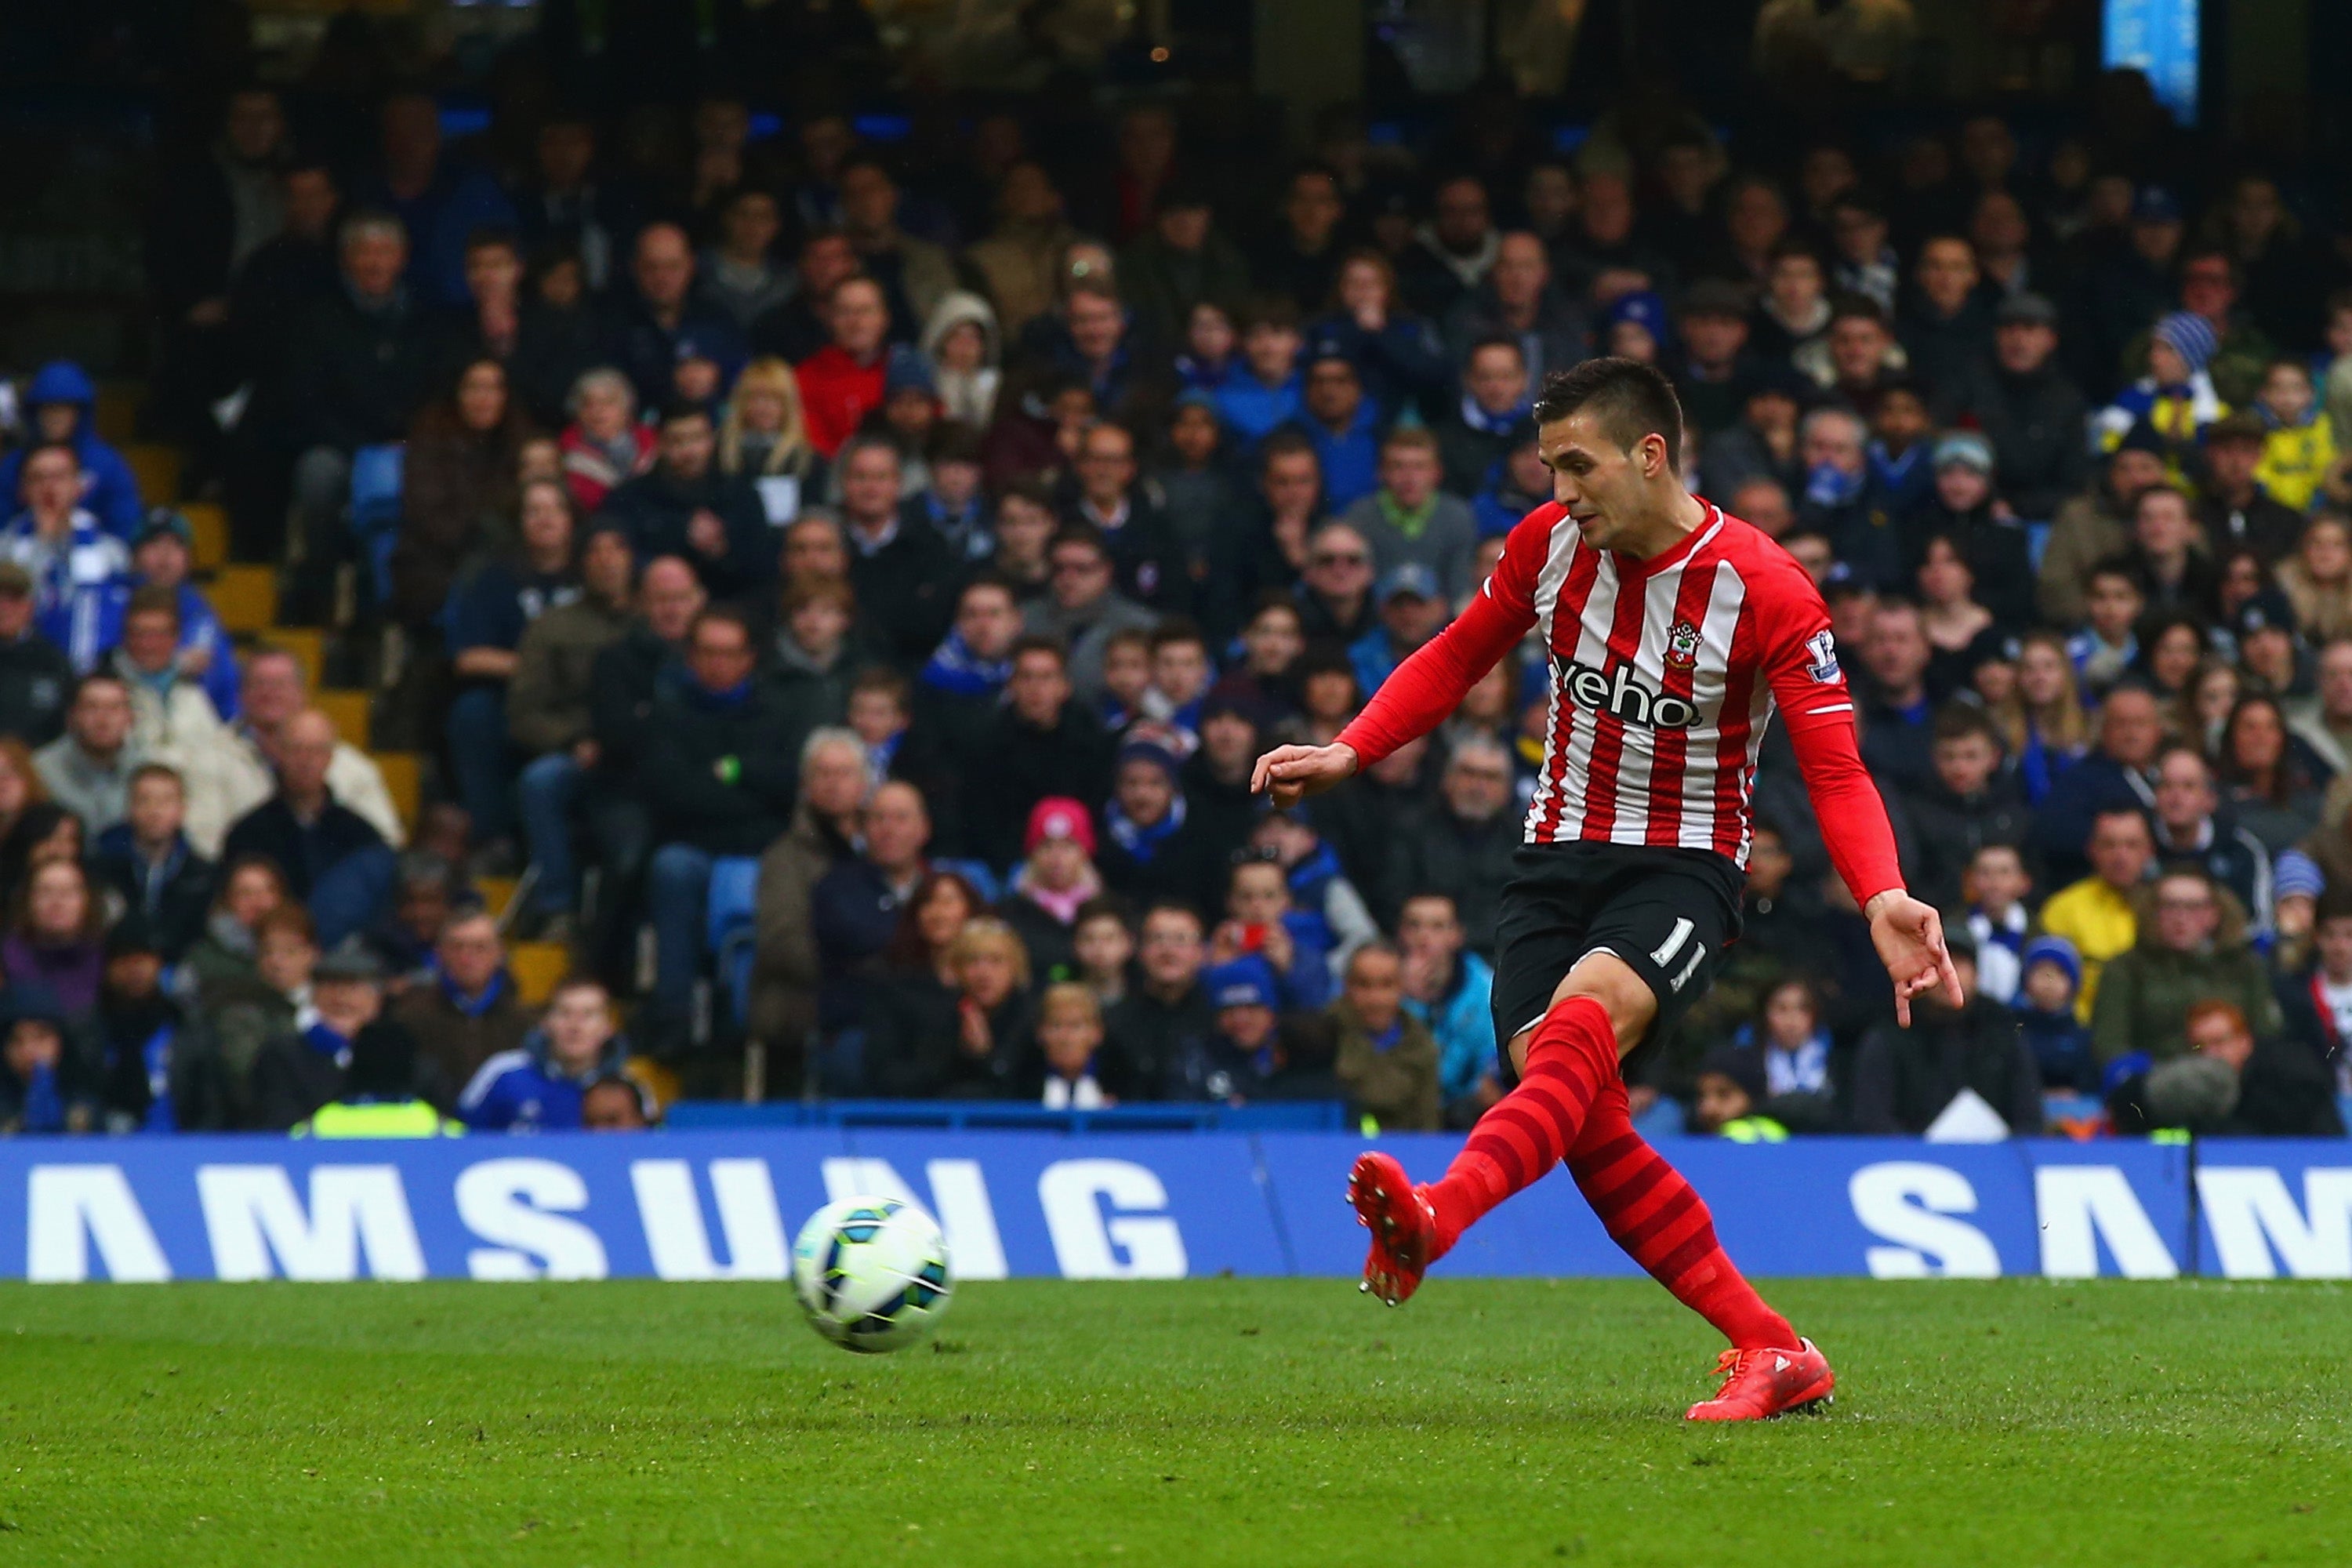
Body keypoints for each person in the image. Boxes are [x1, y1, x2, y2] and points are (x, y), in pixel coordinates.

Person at [1254, 357, 1956, 1421]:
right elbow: (1457, 654)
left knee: (1582, 1023)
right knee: (1578, 1117)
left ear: (1651, 453)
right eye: (1548, 468)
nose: (1560, 491)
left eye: (1576, 465)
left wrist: (1882, 896)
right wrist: (1354, 748)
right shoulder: (1547, 548)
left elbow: (1836, 767)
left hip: (1681, 867)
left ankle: (1438, 1217)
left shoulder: (1766, 588)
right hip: (1550, 863)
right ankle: (1772, 1348)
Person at [1849, 933, 2044, 1135]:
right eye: (1936, 963)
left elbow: (2029, 1118)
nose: (1946, 973)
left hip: (1994, 1158)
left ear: (1976, 975)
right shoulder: (1889, 1033)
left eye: (1957, 963)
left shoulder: (2003, 1030)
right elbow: (1871, 1119)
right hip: (1909, 1161)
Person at [2092, 867, 2281, 1066]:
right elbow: (2110, 1044)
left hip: (2238, 1080)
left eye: (2193, 907)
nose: (2180, 917)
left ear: (2213, 914)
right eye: (2169, 906)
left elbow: (2267, 1034)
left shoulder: (2245, 965)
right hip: (2155, 1080)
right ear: (2153, 912)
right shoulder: (2125, 969)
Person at [457, 975, 630, 1132]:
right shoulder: (503, 1074)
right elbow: (460, 1136)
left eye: (588, 1015)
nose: (575, 1026)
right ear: (546, 1023)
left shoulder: (627, 1089)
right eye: (564, 1013)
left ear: (608, 1028)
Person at [387, 909, 532, 1091]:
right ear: (439, 954)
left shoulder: (524, 1020)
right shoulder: (408, 1016)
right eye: (457, 947)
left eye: (480, 947)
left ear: (499, 954)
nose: (467, 958)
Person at [90, 762, 216, 964]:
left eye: (166, 801)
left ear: (182, 809)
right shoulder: (100, 871)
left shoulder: (206, 875)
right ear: (129, 808)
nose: (154, 811)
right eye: (144, 800)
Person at [1329, 942, 1441, 1131]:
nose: (1376, 999)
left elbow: (1428, 1126)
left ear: (1402, 987)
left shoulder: (1421, 1046)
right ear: (1347, 986)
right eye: (1364, 985)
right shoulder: (1323, 1035)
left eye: (1386, 985)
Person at [33, 672, 140, 835]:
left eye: (114, 708)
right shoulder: (41, 771)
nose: (103, 720)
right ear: (72, 716)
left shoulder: (145, 767)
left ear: (130, 718)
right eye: (92, 707)